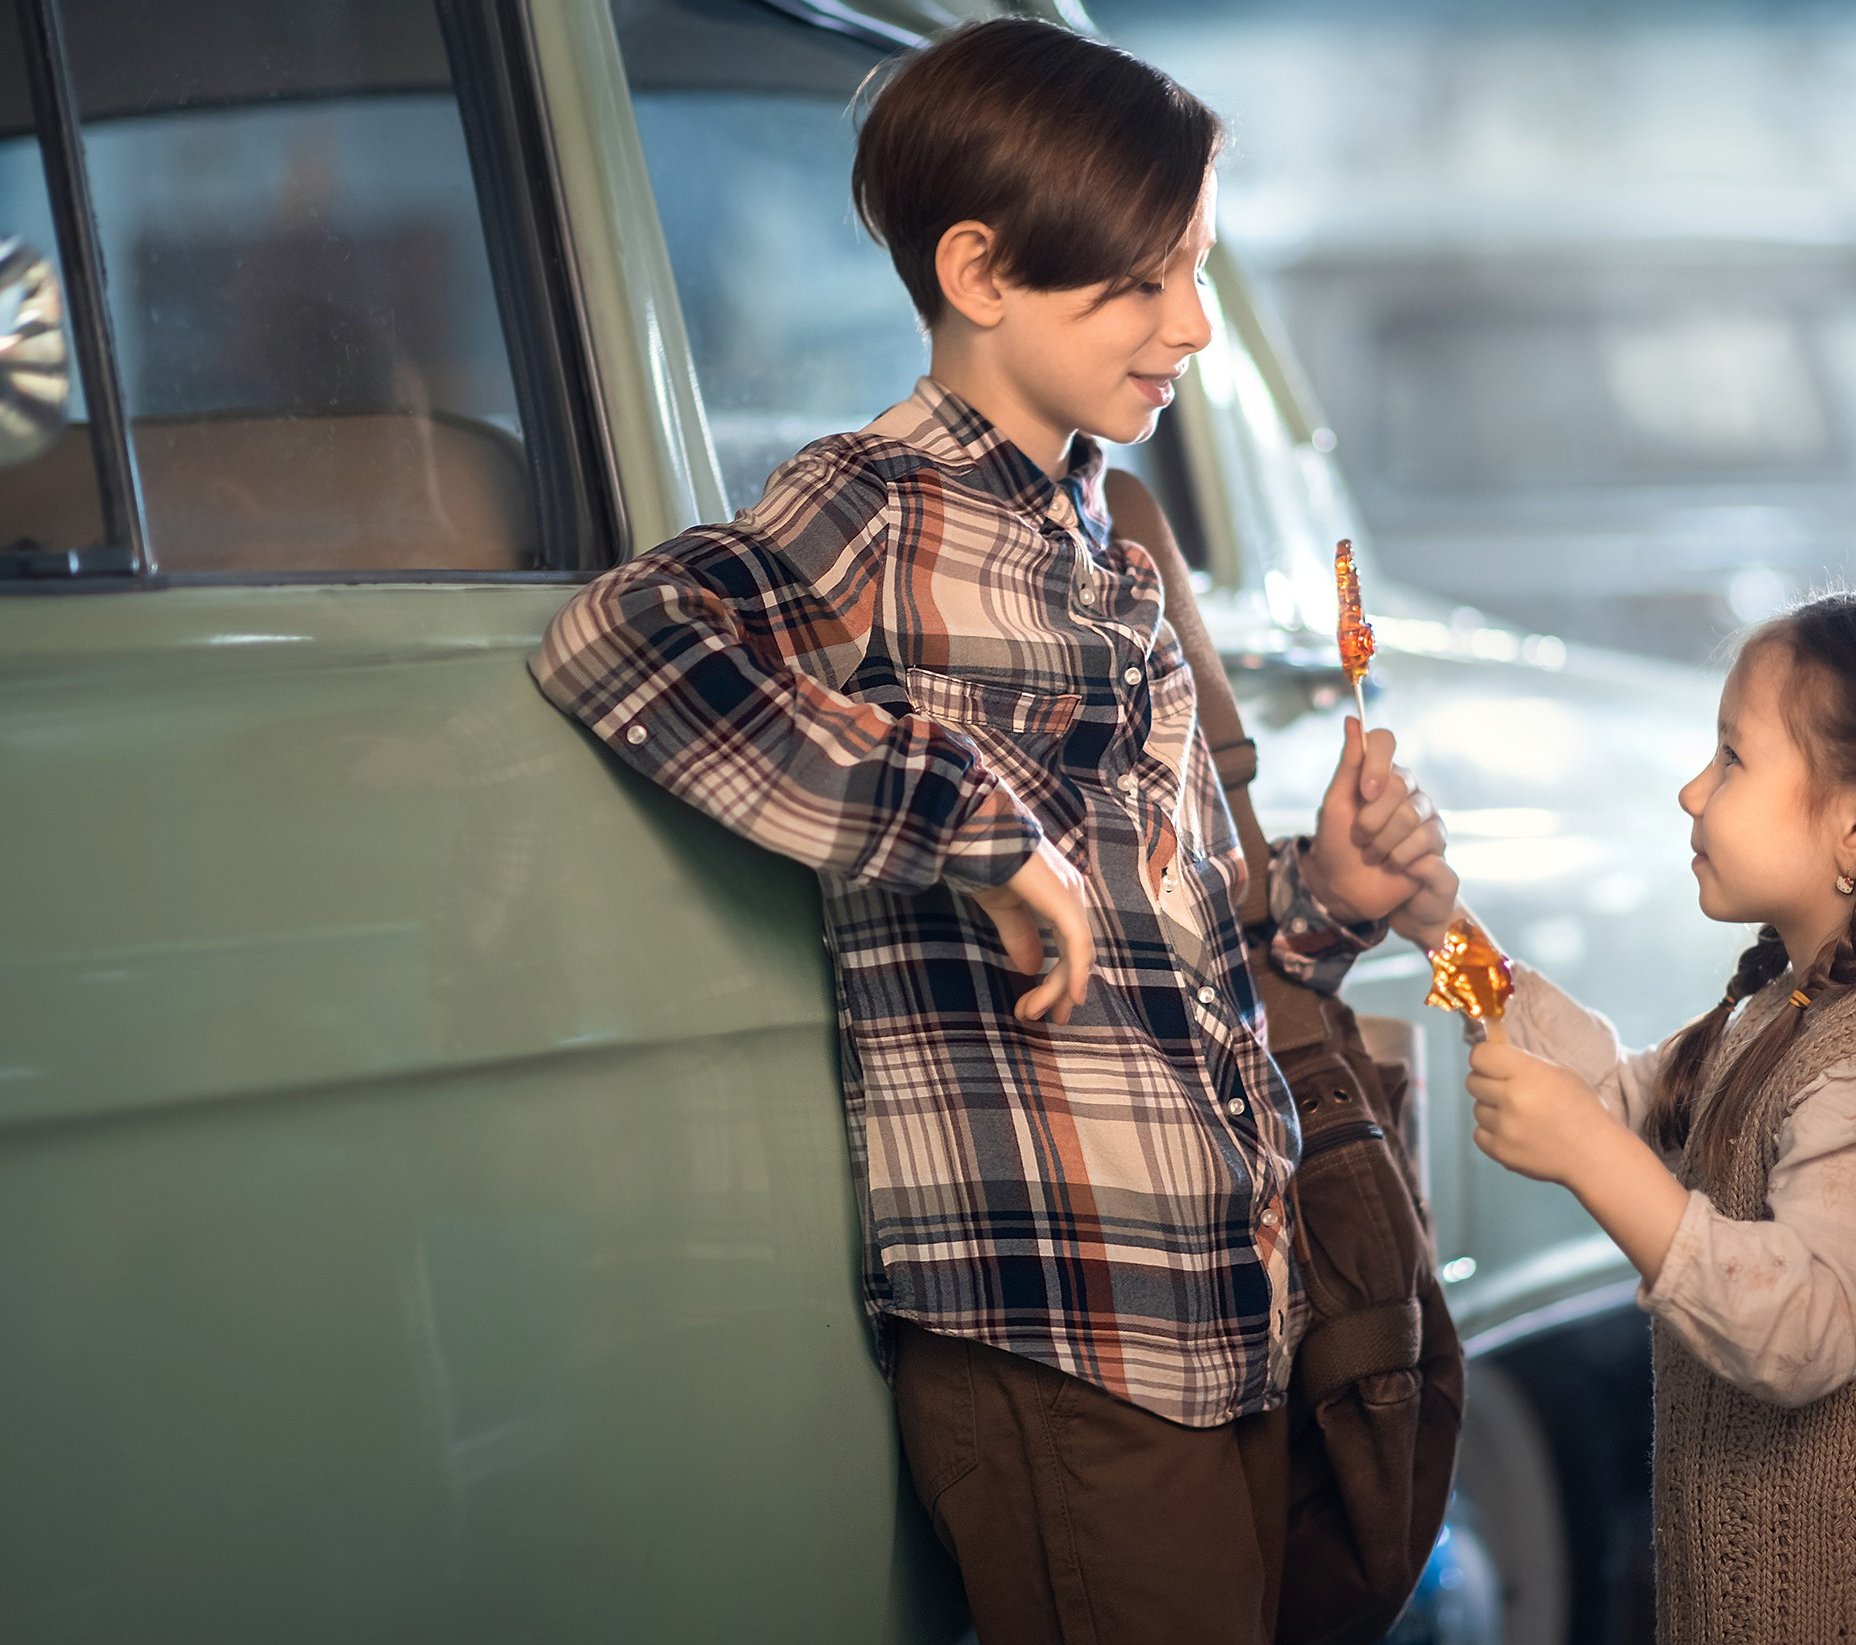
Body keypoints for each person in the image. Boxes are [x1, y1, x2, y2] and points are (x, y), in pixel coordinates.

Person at [530, 19, 1454, 1644]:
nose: (1190, 330)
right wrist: (966, 827)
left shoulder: (1123, 538)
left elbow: (1173, 940)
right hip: (1064, 1325)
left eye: (1200, 276)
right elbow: (628, 640)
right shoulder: (876, 502)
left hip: (1228, 1294)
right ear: (981, 271)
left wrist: (1327, 906)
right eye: (1144, 284)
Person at [1437, 594, 1856, 1644]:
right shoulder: (1783, 1011)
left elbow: (1797, 1328)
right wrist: (1434, 920)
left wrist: (1587, 1154)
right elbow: (1621, 1105)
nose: (1691, 788)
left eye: (1730, 757)